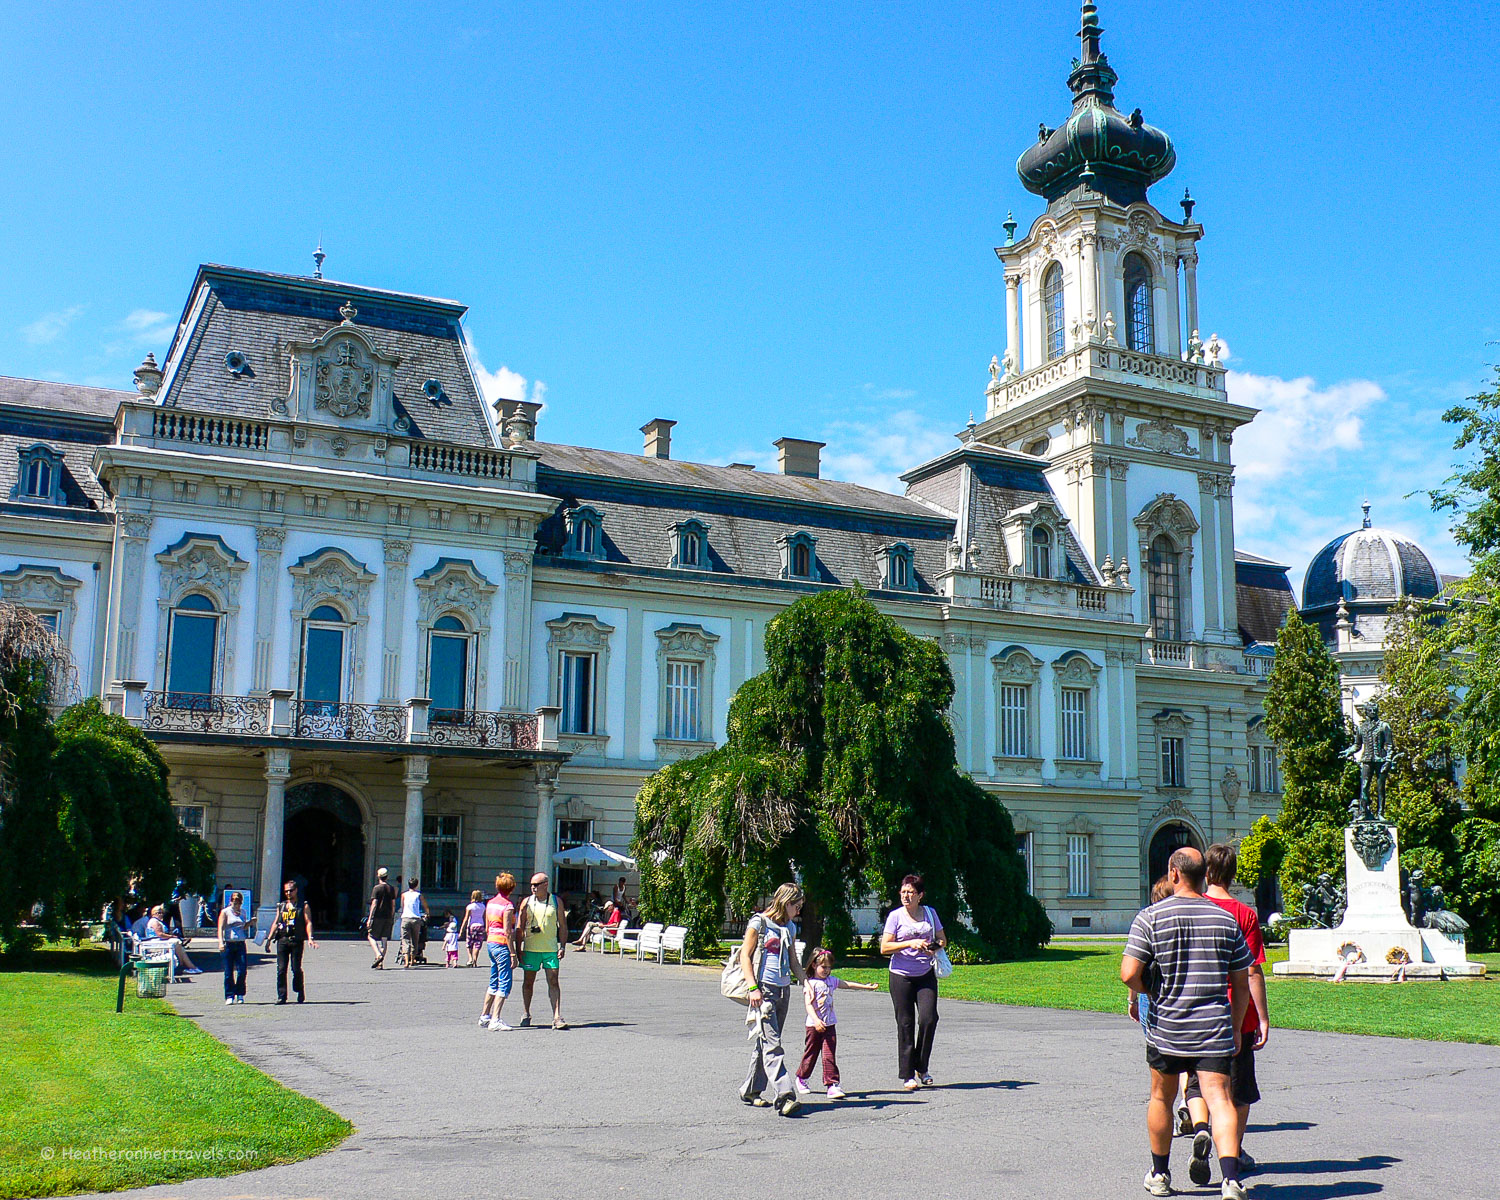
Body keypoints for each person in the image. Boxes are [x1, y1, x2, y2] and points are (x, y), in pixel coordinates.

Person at [1122, 846, 1253, 1200]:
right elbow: (1243, 984)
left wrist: (1149, 988)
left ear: (1174, 873)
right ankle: (1230, 1180)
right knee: (1221, 1100)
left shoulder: (1149, 918)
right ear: (1205, 876)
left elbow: (1128, 973)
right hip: (1213, 1026)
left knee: (1162, 1098)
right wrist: (1236, 1026)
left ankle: (1161, 1174)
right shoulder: (1227, 919)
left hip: (1168, 1027)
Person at [1181, 844, 1271, 1184]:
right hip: (1238, 1011)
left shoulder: (1195, 907)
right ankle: (1234, 1148)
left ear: (1206, 872)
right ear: (1233, 875)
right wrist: (1261, 1016)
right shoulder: (1244, 914)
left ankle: (1202, 1129)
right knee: (1239, 1092)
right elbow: (1252, 972)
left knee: (1198, 1085)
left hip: (1199, 1008)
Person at [738, 882, 807, 1116]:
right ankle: (785, 1095)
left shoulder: (789, 927)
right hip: (763, 991)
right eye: (796, 906)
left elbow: (794, 961)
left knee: (765, 1042)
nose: (798, 911)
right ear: (786, 902)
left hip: (783, 990)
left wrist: (806, 983)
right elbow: (744, 957)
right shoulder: (759, 923)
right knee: (773, 1044)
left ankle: (750, 1090)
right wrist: (753, 987)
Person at [880, 874, 946, 1091]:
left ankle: (922, 1067)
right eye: (903, 892)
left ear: (920, 895)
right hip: (901, 975)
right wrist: (910, 943)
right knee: (905, 1022)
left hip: (925, 973)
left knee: (929, 1019)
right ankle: (908, 1074)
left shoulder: (930, 913)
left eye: (910, 892)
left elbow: (943, 939)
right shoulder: (895, 917)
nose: (906, 896)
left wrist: (933, 946)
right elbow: (885, 947)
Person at [795, 947, 877, 1100]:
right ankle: (801, 1078)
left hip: (829, 1024)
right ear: (814, 965)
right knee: (811, 1054)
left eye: (829, 967)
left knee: (829, 1055)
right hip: (814, 1026)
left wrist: (865, 987)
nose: (827, 970)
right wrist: (816, 1020)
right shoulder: (810, 984)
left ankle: (832, 1085)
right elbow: (808, 1005)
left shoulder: (831, 981)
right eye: (823, 967)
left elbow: (847, 984)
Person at [516, 873, 569, 1029]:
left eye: (536, 885)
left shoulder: (555, 901)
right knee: (528, 982)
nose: (533, 888)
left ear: (545, 884)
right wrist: (519, 950)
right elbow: (519, 927)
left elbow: (563, 926)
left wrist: (563, 946)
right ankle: (526, 1013)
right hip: (531, 949)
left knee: (553, 981)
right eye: (531, 885)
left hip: (550, 949)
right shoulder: (526, 902)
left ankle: (557, 1017)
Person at [265, 880, 318, 1004]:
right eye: (286, 891)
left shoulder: (303, 905)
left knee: (296, 968)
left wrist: (310, 937)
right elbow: (276, 922)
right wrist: (269, 939)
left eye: (291, 890)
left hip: (296, 940)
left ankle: (299, 990)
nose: (288, 893)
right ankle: (282, 996)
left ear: (296, 890)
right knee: (281, 969)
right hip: (283, 940)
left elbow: (308, 922)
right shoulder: (281, 905)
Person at [479, 873, 518, 1030]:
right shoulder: (507, 906)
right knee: (505, 981)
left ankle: (485, 1015)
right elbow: (508, 931)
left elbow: (488, 926)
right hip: (502, 944)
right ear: (511, 888)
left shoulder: (490, 903)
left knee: (493, 979)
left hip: (491, 942)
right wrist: (513, 953)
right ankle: (495, 1019)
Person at [144, 904, 202, 978]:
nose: (161, 914)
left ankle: (189, 967)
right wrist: (171, 936)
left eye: (162, 912)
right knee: (177, 942)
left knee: (179, 945)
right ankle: (186, 966)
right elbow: (160, 934)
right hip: (155, 943)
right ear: (153, 914)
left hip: (159, 942)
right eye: (158, 913)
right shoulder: (155, 922)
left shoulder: (157, 921)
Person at [216, 891, 252, 1004]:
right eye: (234, 900)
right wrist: (221, 942)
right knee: (228, 972)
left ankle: (240, 993)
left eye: (238, 901)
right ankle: (229, 995)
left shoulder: (243, 912)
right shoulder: (225, 912)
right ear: (230, 901)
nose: (236, 903)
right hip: (229, 943)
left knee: (242, 970)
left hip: (240, 943)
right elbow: (220, 928)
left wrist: (250, 923)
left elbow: (243, 927)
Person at [367, 867, 397, 968]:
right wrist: (392, 916)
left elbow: (374, 904)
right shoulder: (391, 888)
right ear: (387, 877)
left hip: (378, 916)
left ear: (378, 876)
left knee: (371, 936)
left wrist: (370, 917)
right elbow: (393, 904)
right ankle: (380, 963)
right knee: (384, 940)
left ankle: (378, 955)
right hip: (388, 916)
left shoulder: (377, 888)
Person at [399, 878, 428, 968]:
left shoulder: (404, 895)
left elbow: (402, 906)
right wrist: (427, 913)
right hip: (416, 919)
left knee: (405, 940)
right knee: (415, 939)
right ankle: (412, 960)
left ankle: (406, 961)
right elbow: (425, 906)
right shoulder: (419, 895)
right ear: (416, 885)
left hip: (406, 918)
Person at [461, 890, 487, 967]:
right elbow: (485, 917)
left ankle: (470, 958)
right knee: (477, 943)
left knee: (469, 943)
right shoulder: (483, 906)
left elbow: (466, 918)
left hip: (471, 926)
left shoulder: (470, 907)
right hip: (481, 925)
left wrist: (462, 929)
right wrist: (486, 927)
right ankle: (475, 960)